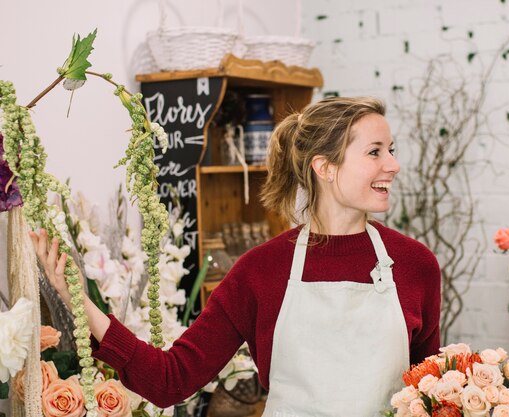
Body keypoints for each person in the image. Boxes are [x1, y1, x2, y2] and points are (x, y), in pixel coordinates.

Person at [31, 96, 441, 417]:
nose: (394, 164)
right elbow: (168, 381)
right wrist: (81, 305)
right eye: (375, 152)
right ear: (325, 167)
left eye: (391, 149)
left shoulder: (416, 265)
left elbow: (430, 398)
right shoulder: (261, 271)